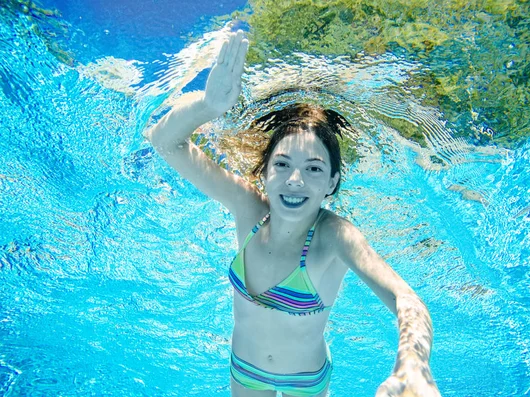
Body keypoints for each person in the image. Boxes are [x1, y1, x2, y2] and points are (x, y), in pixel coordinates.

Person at [147, 30, 441, 397]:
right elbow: (164, 142)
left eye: (314, 169)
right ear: (265, 171)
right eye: (283, 164)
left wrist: (413, 365)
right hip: (245, 372)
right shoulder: (249, 209)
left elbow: (407, 300)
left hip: (306, 382)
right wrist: (208, 107)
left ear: (332, 182)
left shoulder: (336, 236)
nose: (295, 180)